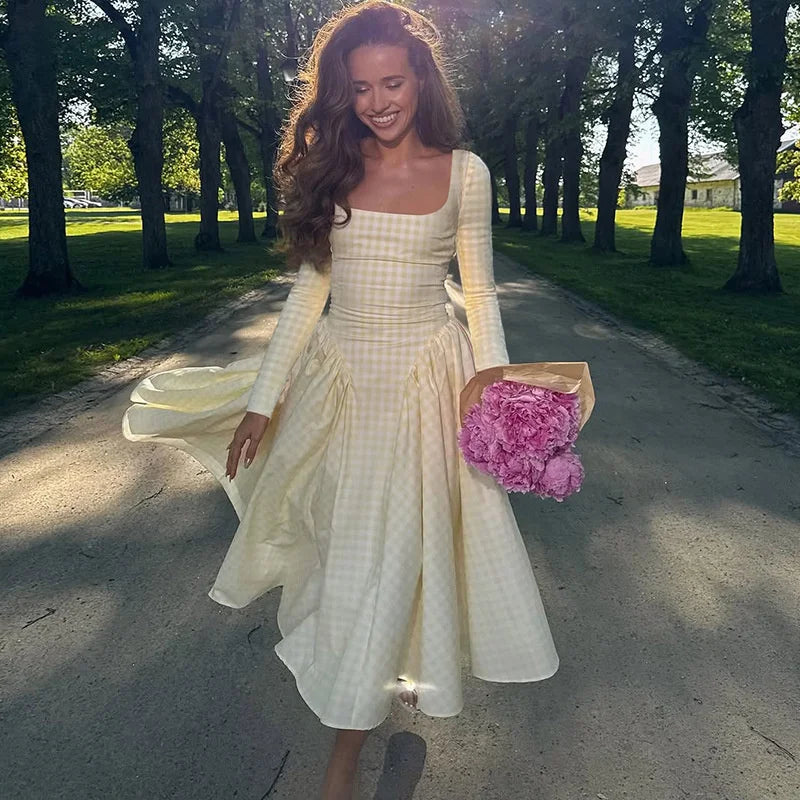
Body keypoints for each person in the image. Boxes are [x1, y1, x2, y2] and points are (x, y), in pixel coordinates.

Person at [122, 2, 559, 798]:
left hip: (426, 388)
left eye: (393, 82)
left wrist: (496, 399)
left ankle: (341, 768)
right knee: (347, 558)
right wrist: (263, 400)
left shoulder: (465, 173)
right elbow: (307, 293)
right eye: (360, 87)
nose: (378, 101)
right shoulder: (333, 166)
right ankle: (374, 690)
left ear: (421, 77)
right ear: (341, 91)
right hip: (339, 390)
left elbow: (482, 296)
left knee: (394, 556)